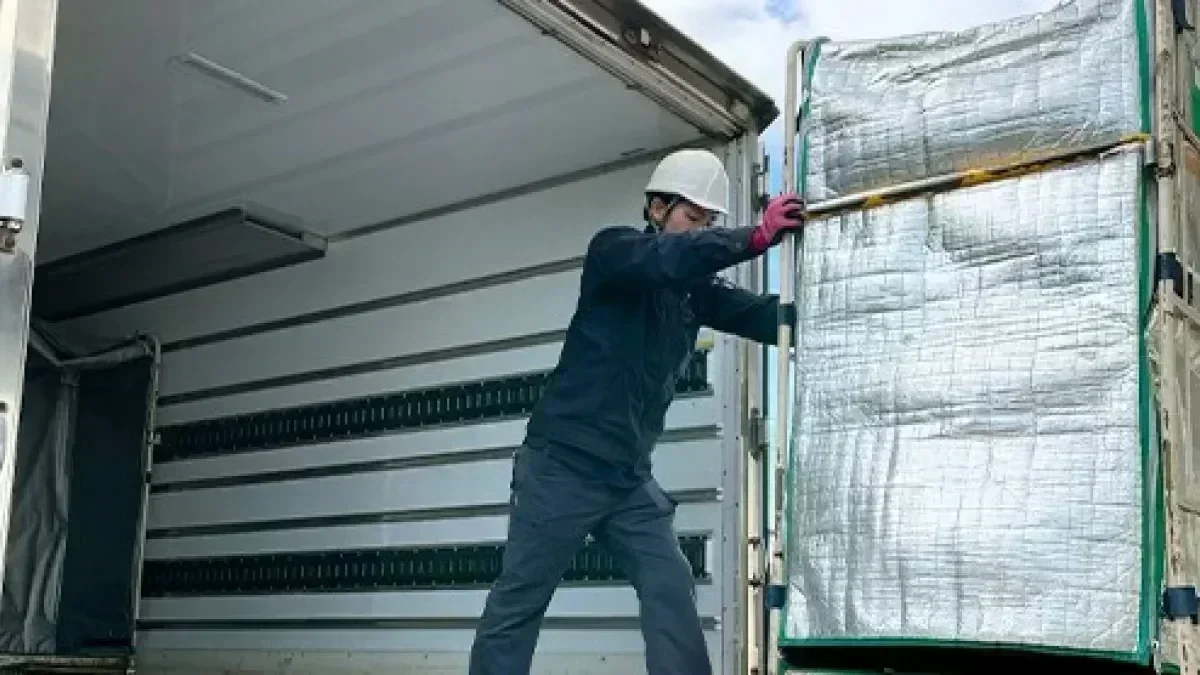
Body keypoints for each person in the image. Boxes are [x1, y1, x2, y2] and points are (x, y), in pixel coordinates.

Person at [467, 148, 806, 675]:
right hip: (562, 466)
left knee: (669, 582)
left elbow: (763, 317)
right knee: (521, 597)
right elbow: (667, 259)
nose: (701, 231)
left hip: (627, 479)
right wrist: (753, 238)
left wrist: (826, 310)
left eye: (709, 223)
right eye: (694, 217)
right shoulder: (615, 254)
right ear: (656, 208)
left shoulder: (693, 292)